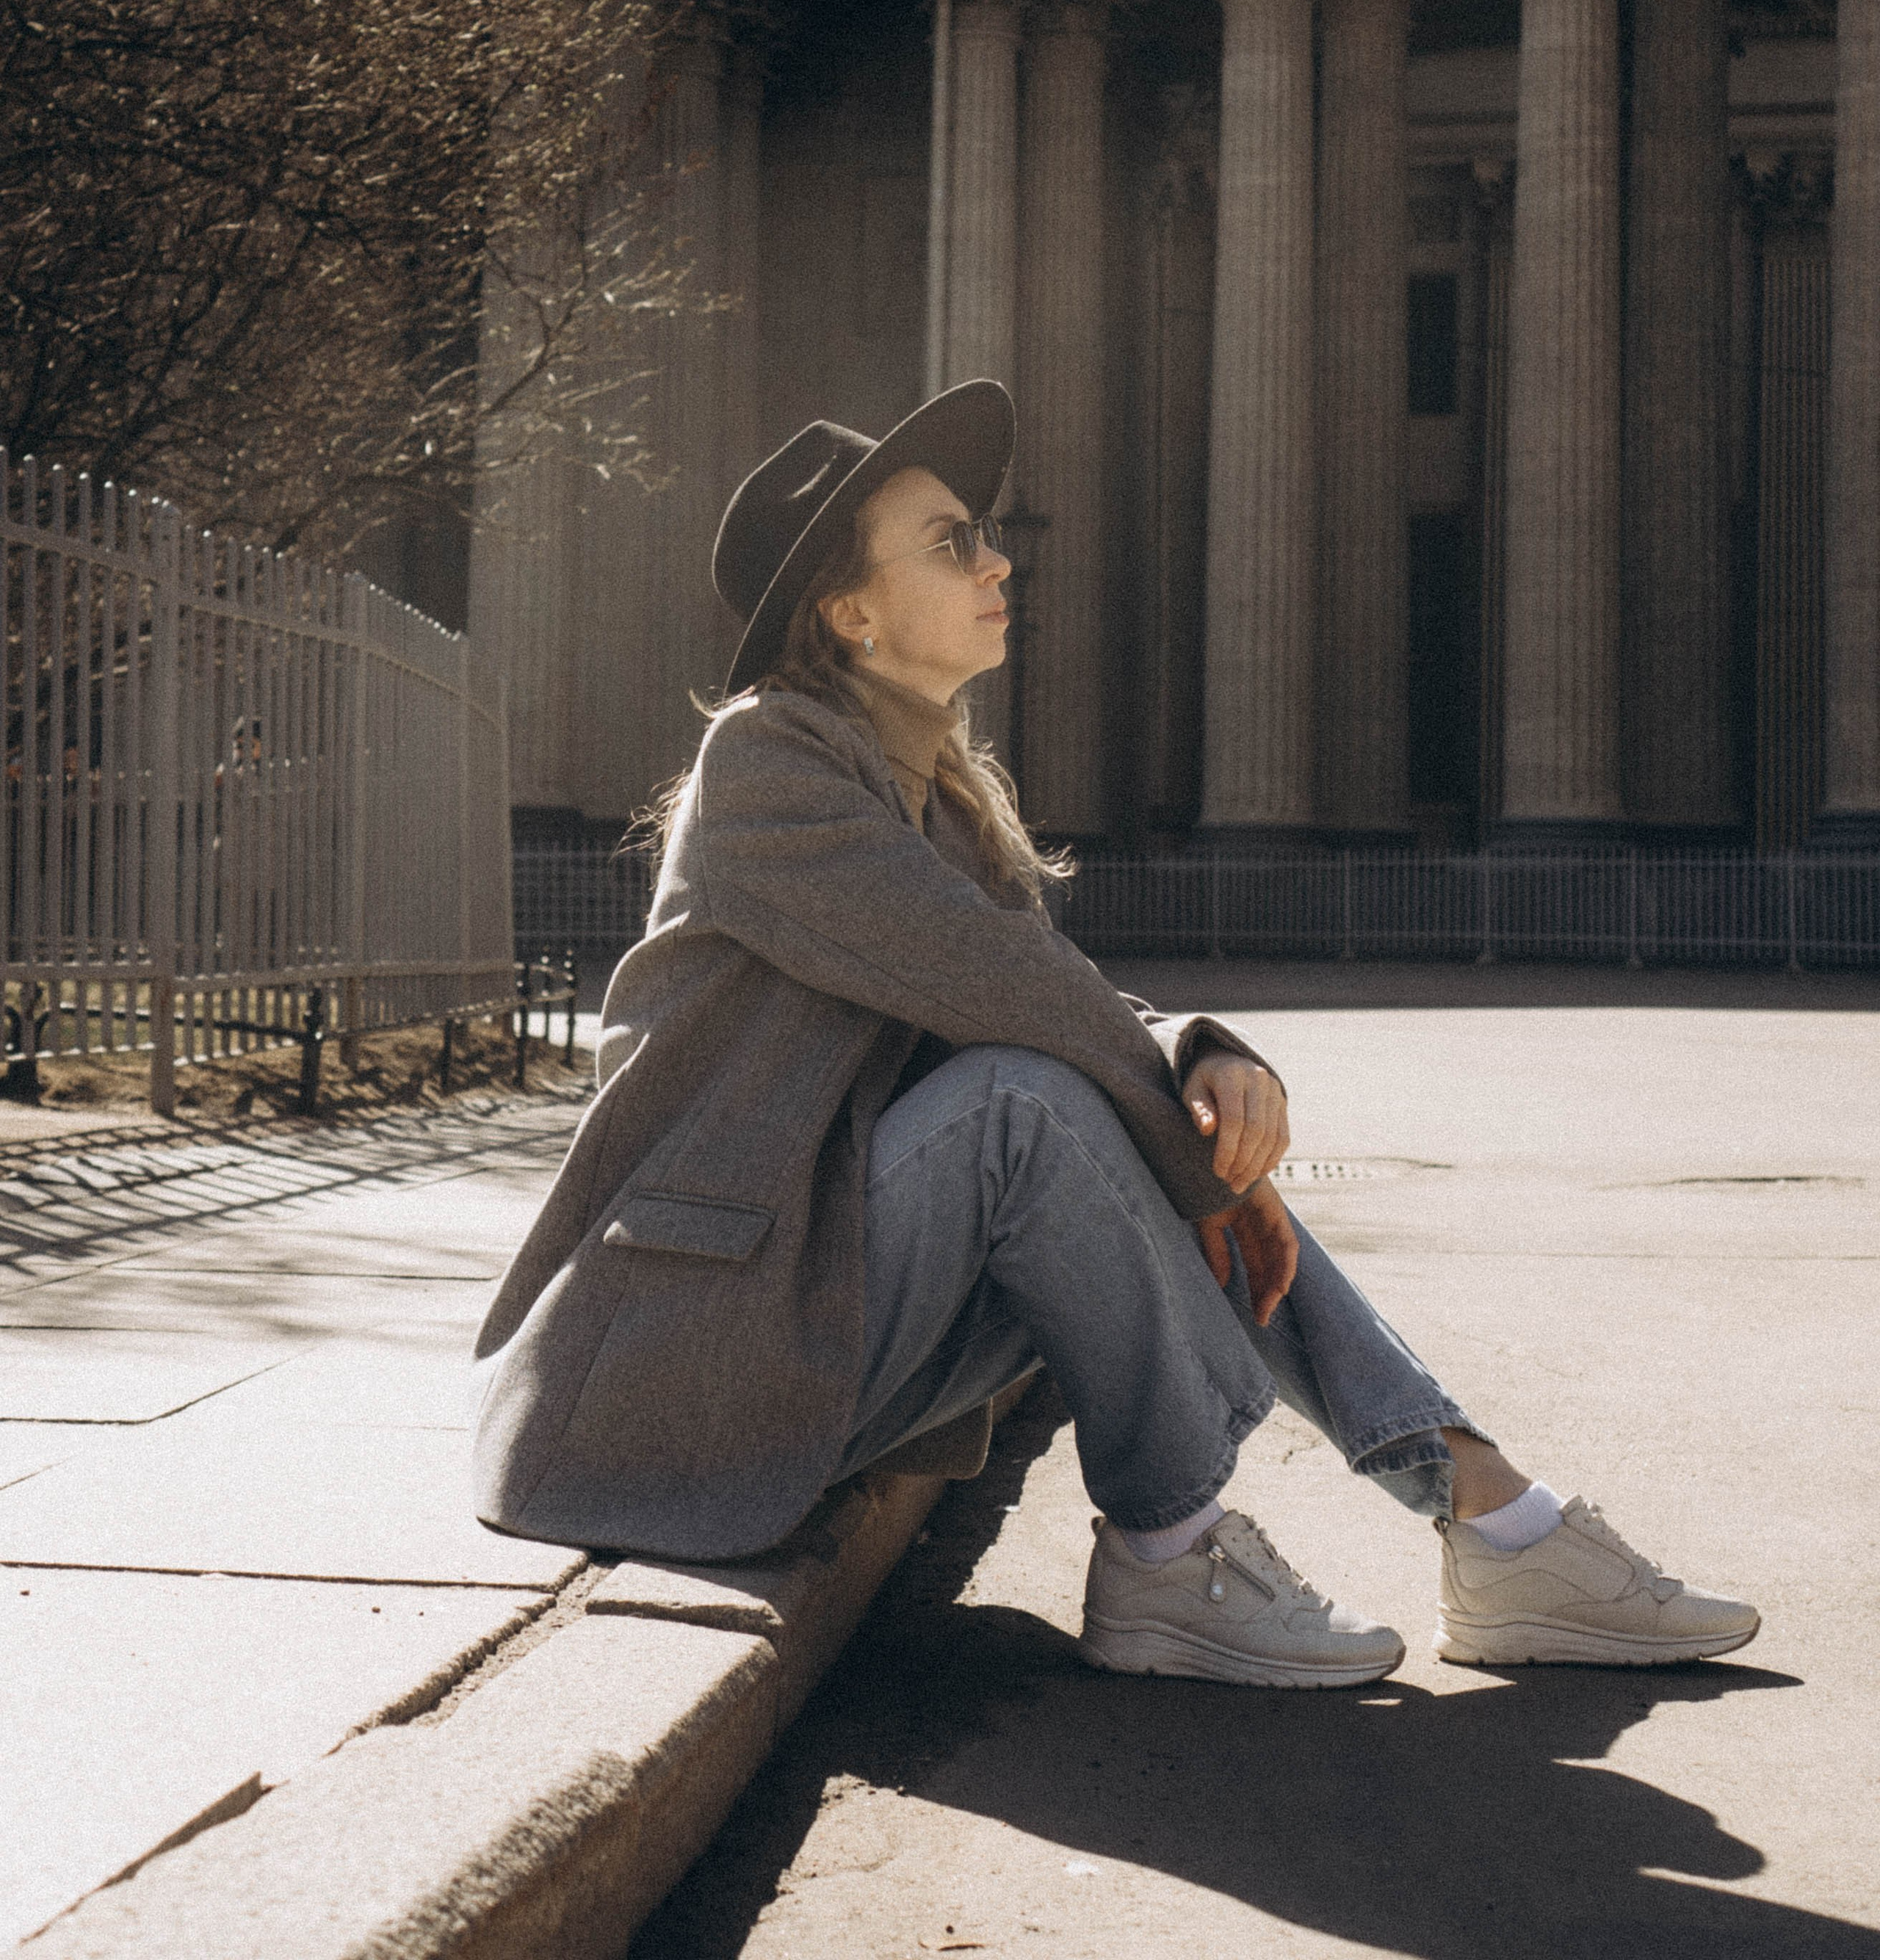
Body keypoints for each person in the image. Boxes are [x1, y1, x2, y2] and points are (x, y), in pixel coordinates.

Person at [474, 380, 1759, 1685]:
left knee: (1115, 1108)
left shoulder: (935, 795)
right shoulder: (768, 765)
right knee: (1029, 1105)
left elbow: (1051, 993)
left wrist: (1206, 1060)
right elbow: (1013, 997)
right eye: (950, 543)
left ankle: (1490, 1514)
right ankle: (1177, 1551)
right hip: (670, 1371)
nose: (998, 559)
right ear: (850, 615)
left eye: (984, 533)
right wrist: (1202, 1153)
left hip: (805, 1315)